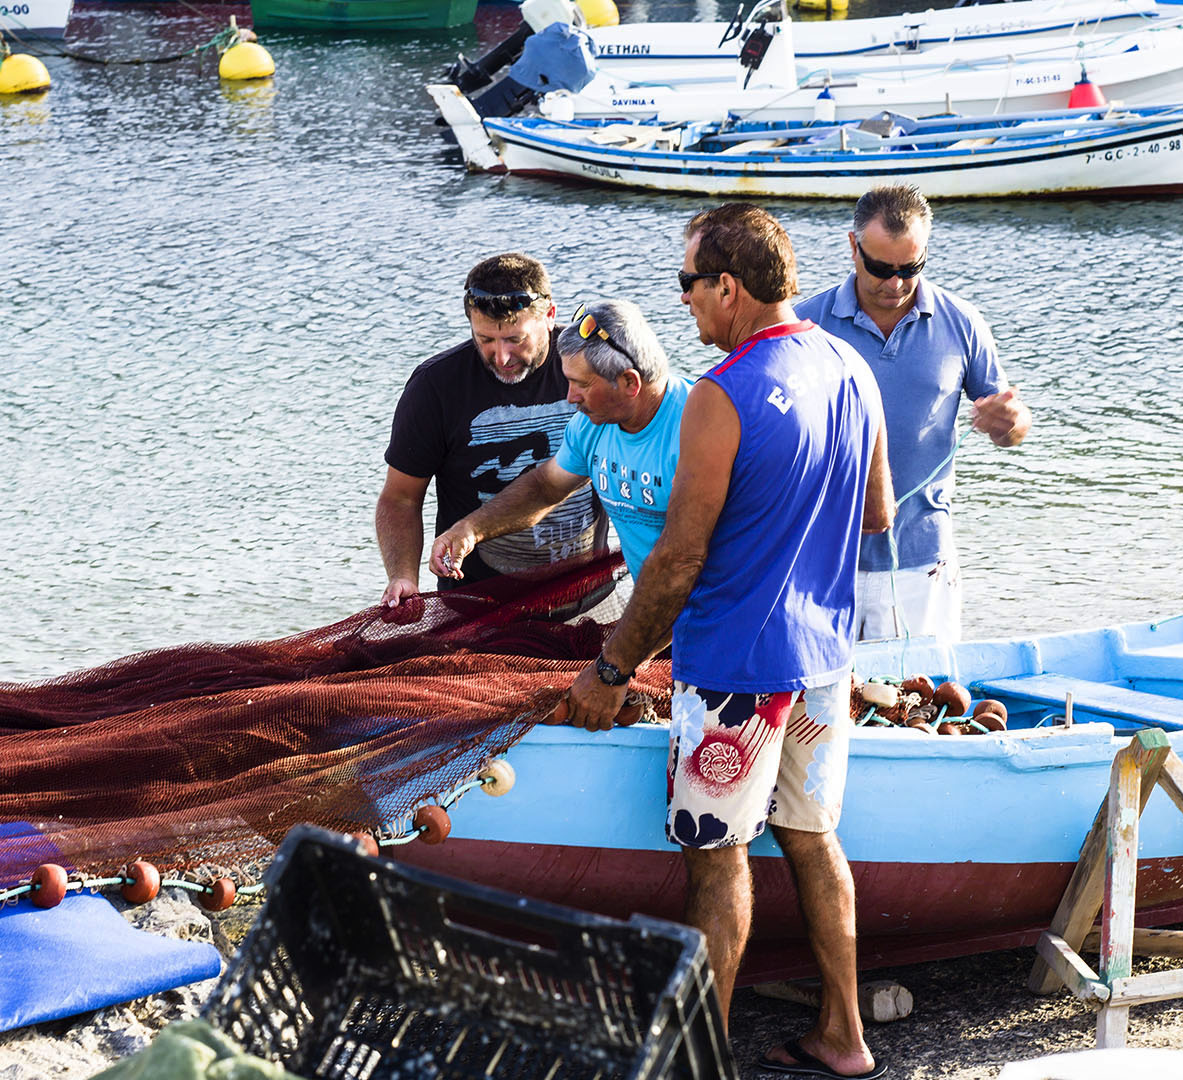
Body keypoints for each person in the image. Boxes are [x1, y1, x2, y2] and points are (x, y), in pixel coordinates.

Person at [566, 204, 894, 1080]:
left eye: (687, 284)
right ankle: (845, 1037)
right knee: (815, 842)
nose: (683, 306)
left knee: (717, 858)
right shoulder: (850, 366)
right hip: (824, 658)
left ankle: (699, 1060)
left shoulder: (722, 393)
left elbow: (675, 562)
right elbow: (878, 514)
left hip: (736, 669)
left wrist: (609, 669)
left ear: (729, 286)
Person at [793, 184, 1032, 644]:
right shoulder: (807, 325)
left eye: (911, 268)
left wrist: (1011, 423)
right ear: (852, 246)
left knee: (921, 703)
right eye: (881, 268)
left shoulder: (962, 322)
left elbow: (1013, 424)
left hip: (923, 563)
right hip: (820, 563)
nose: (896, 284)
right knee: (819, 711)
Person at [376, 254, 606, 608]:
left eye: (516, 339)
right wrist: (403, 576)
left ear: (549, 316)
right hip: (477, 605)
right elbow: (401, 498)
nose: (501, 356)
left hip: (587, 595)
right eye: (485, 339)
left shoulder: (592, 367)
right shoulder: (435, 386)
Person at [429, 299, 691, 586]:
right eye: (568, 381)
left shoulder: (695, 429)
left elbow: (685, 561)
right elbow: (544, 488)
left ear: (630, 382)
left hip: (712, 608)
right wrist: (469, 530)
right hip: (660, 603)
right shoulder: (591, 425)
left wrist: (642, 632)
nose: (571, 397)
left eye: (582, 384)